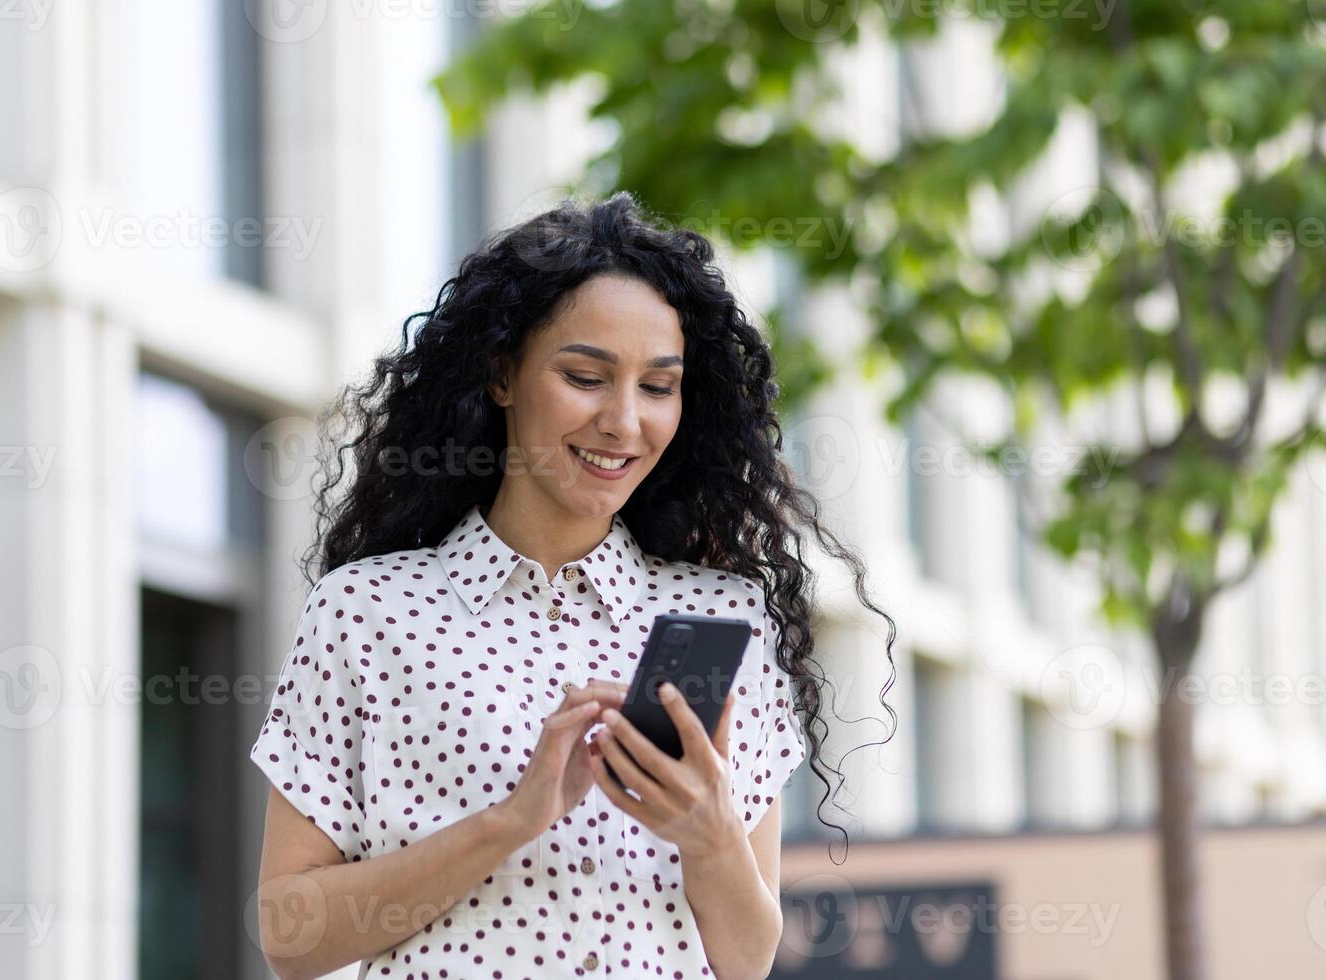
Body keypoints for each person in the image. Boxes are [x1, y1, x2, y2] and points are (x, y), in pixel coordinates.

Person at [249, 192, 897, 980]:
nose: (624, 422)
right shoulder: (369, 612)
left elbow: (746, 959)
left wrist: (708, 831)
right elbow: (288, 935)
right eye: (586, 376)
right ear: (501, 376)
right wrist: (509, 823)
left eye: (658, 388)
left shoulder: (722, 618)